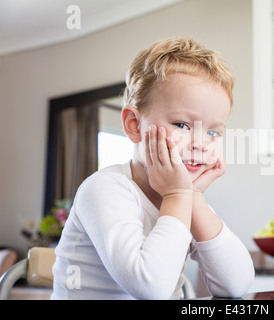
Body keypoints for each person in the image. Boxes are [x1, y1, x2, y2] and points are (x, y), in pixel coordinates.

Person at [51, 37, 255, 300]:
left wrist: (192, 198)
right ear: (135, 125)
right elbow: (150, 288)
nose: (201, 144)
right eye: (182, 125)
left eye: (213, 131)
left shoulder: (185, 198)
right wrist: (179, 196)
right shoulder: (104, 189)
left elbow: (237, 286)